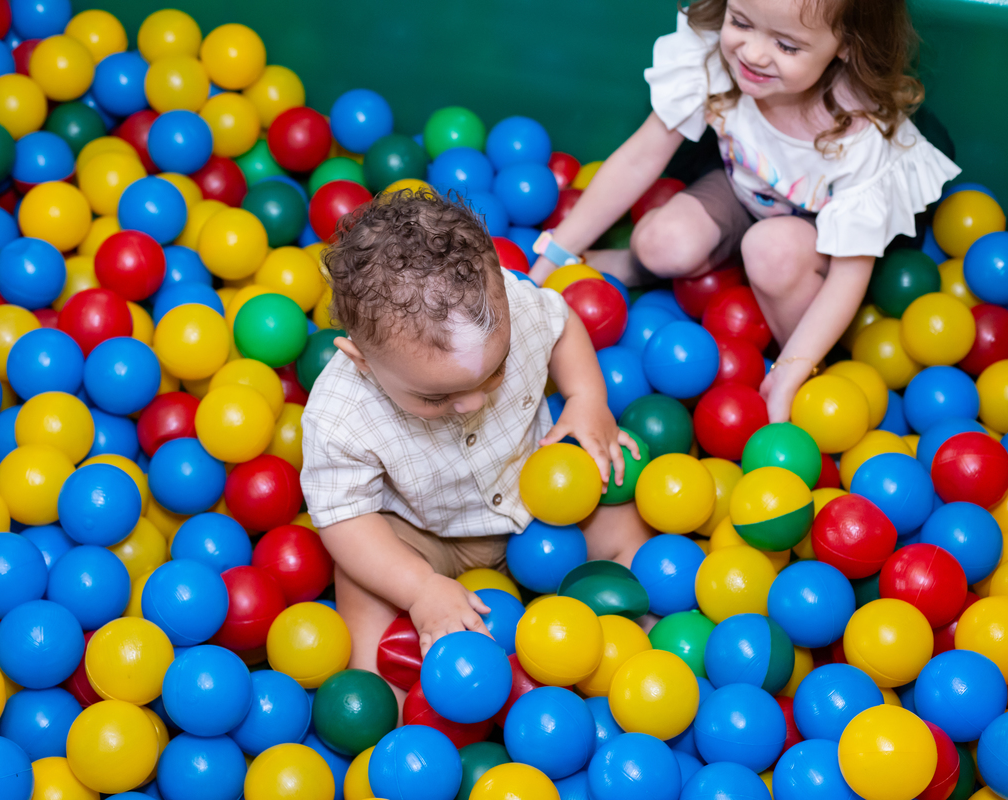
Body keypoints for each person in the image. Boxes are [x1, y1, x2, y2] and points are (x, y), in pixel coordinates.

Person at [528, 0, 960, 422]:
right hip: (743, 192)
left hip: (816, 241)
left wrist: (791, 372)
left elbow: (850, 274)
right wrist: (554, 256)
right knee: (661, 242)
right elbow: (640, 158)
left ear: (847, 43)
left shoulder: (859, 132)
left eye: (786, 46)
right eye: (740, 21)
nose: (753, 54)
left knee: (769, 250)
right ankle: (633, 266)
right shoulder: (712, 57)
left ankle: (810, 360)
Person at [300, 190, 650, 703]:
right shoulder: (340, 414)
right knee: (362, 584)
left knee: (626, 524)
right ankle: (386, 701)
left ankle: (642, 637)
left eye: (496, 371)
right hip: (423, 534)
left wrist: (586, 398)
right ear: (363, 363)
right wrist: (418, 587)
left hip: (540, 500)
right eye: (435, 396)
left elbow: (562, 323)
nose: (472, 403)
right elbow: (344, 519)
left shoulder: (515, 306)